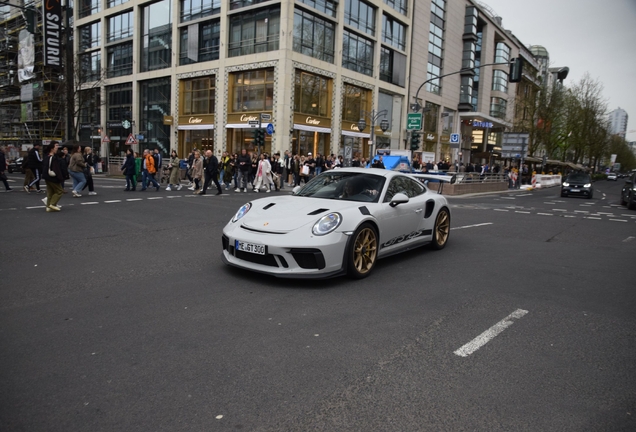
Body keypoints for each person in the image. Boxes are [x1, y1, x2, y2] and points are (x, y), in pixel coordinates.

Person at [42, 141, 64, 211]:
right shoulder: (53, 158)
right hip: (52, 177)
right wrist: (60, 178)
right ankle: (52, 204)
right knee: (59, 191)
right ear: (52, 148)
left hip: (46, 176)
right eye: (56, 146)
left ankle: (48, 207)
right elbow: (56, 169)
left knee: (50, 192)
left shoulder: (46, 156)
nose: (57, 147)